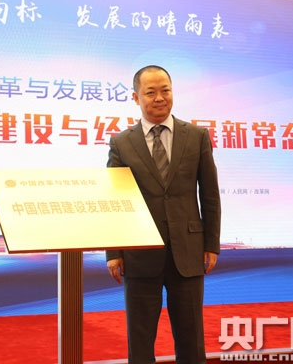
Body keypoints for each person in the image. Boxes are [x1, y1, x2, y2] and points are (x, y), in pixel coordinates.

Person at [106, 65, 221, 363]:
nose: (159, 98)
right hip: (140, 253)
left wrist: (211, 244)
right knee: (141, 339)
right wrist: (114, 252)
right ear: (136, 97)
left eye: (165, 90)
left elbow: (209, 194)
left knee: (191, 337)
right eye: (150, 92)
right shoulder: (121, 143)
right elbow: (116, 199)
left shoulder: (196, 136)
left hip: (188, 251)